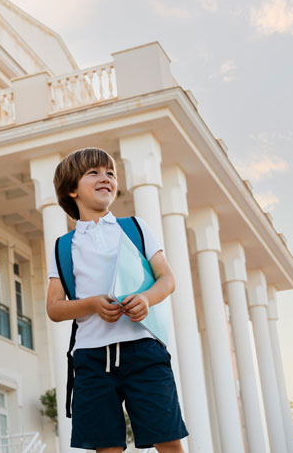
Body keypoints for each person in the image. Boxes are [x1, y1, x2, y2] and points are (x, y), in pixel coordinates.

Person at [46, 147, 188, 452]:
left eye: (110, 173)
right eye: (93, 173)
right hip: (91, 359)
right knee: (106, 448)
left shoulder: (136, 228)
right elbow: (55, 308)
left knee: (169, 440)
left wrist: (147, 299)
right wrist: (92, 304)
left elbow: (168, 279)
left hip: (144, 351)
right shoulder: (63, 246)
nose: (106, 178)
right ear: (72, 189)